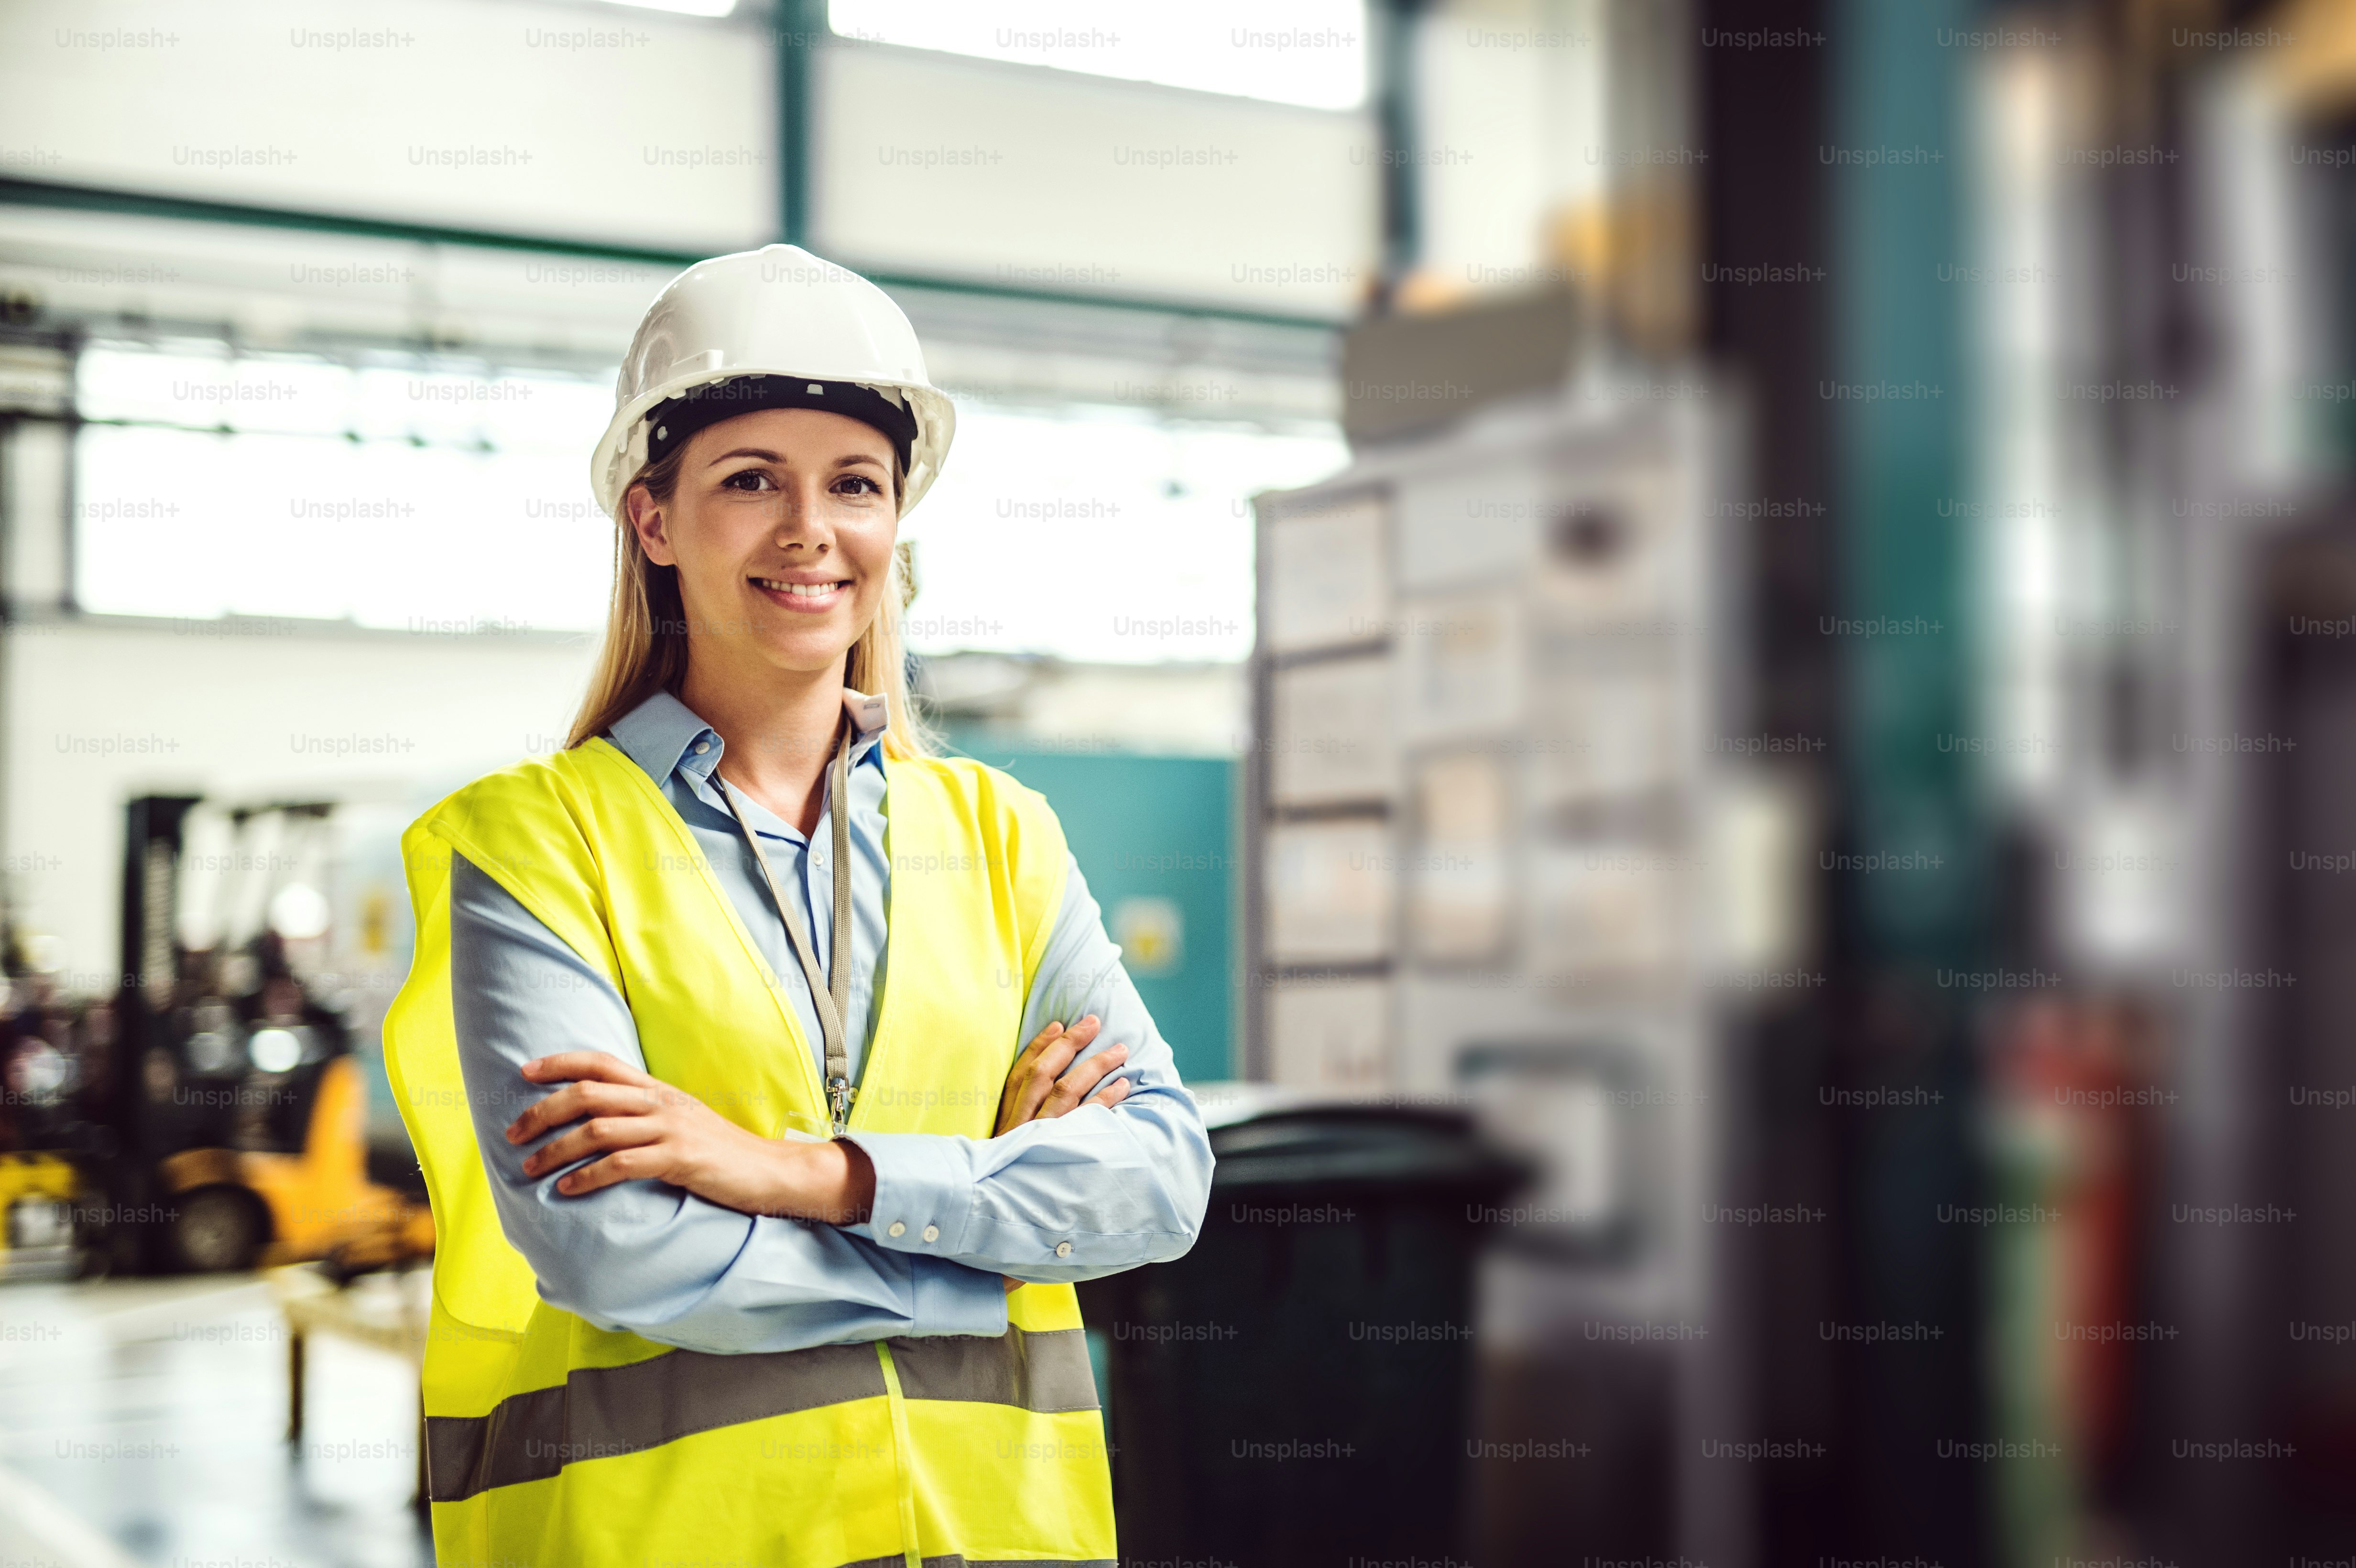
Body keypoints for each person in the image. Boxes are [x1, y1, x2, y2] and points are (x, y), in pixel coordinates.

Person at [384, 245, 1213, 1568]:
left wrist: (793, 1176)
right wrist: (993, 1234)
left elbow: (1160, 1182)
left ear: (896, 523)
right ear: (653, 520)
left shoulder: (1000, 838)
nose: (809, 531)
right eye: (750, 479)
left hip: (993, 1537)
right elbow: (614, 1249)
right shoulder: (537, 846)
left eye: (856, 485)